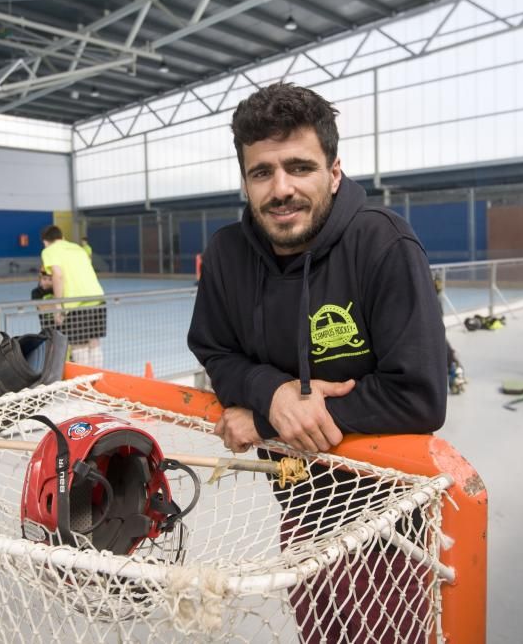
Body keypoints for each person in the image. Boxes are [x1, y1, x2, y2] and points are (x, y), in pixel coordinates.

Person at [187, 83, 446, 643]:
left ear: (333, 172)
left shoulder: (384, 245)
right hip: (299, 503)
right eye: (262, 172)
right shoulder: (229, 252)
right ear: (246, 180)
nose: (281, 189)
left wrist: (262, 420)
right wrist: (273, 392)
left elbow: (419, 395)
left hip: (386, 518)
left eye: (300, 167)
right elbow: (213, 348)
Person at [41, 225, 106, 367]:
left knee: (78, 345)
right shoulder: (77, 248)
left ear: (45, 241)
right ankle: (98, 380)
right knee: (93, 341)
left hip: (75, 302)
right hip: (97, 297)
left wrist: (58, 305)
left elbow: (57, 275)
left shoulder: (49, 251)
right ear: (62, 237)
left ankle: (85, 384)